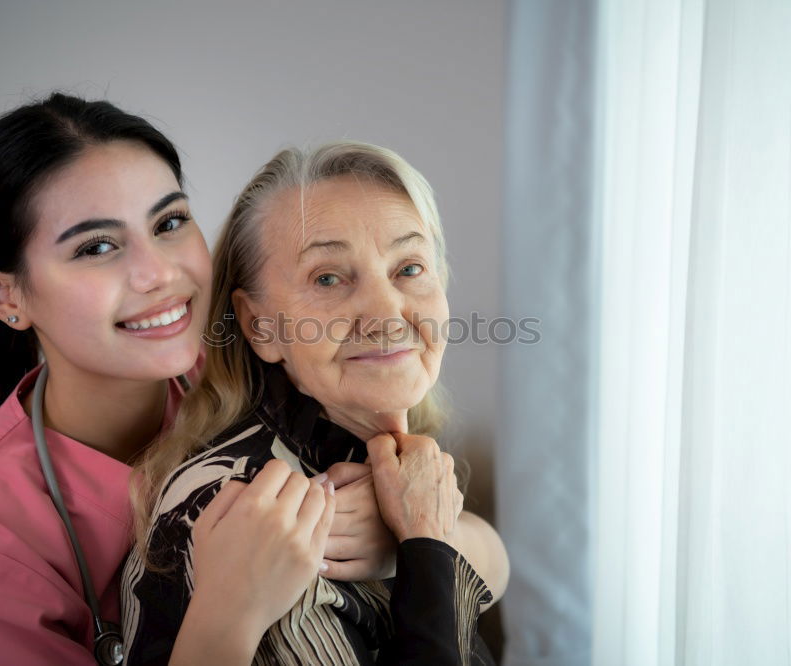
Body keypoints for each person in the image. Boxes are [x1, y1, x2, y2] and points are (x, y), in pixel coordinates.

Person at [0, 94, 507, 665]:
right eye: (96, 247)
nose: (159, 273)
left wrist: (403, 541)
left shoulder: (249, 372)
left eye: (169, 222)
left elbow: (489, 557)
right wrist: (227, 609)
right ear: (3, 292)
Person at [124, 141, 509, 665]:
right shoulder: (257, 513)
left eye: (409, 268)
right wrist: (423, 546)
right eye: (328, 278)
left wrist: (412, 542)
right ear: (261, 326)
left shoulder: (368, 447)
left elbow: (495, 560)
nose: (387, 313)